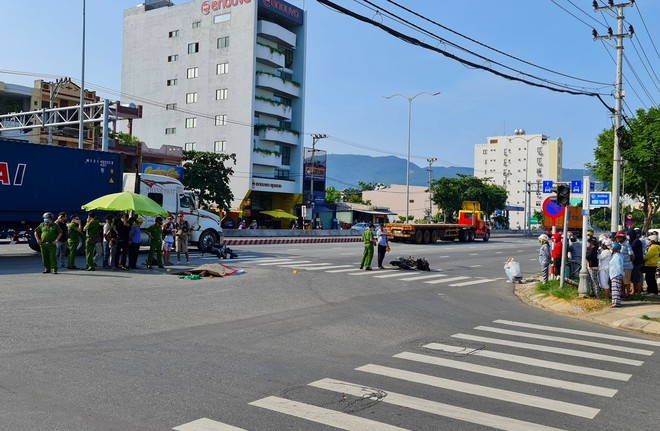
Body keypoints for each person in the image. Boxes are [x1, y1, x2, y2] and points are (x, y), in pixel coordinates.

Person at [615, 231, 633, 298]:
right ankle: (623, 294)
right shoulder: (618, 244)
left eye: (619, 237)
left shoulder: (627, 245)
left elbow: (632, 255)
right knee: (622, 282)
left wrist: (629, 262)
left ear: (623, 238)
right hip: (620, 266)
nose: (617, 238)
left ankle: (627, 295)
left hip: (626, 266)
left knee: (627, 282)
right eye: (617, 237)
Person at [628, 228, 644, 296]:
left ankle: (639, 293)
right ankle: (633, 292)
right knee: (633, 278)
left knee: (637, 278)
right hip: (633, 262)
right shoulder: (632, 241)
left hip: (637, 262)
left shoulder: (637, 241)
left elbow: (631, 249)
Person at [609, 242, 624, 308]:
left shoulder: (617, 256)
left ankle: (615, 303)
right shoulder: (616, 255)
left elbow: (619, 266)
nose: (611, 248)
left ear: (614, 248)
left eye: (612, 247)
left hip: (616, 274)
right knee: (615, 289)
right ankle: (616, 302)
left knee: (616, 289)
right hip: (614, 274)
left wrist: (619, 273)